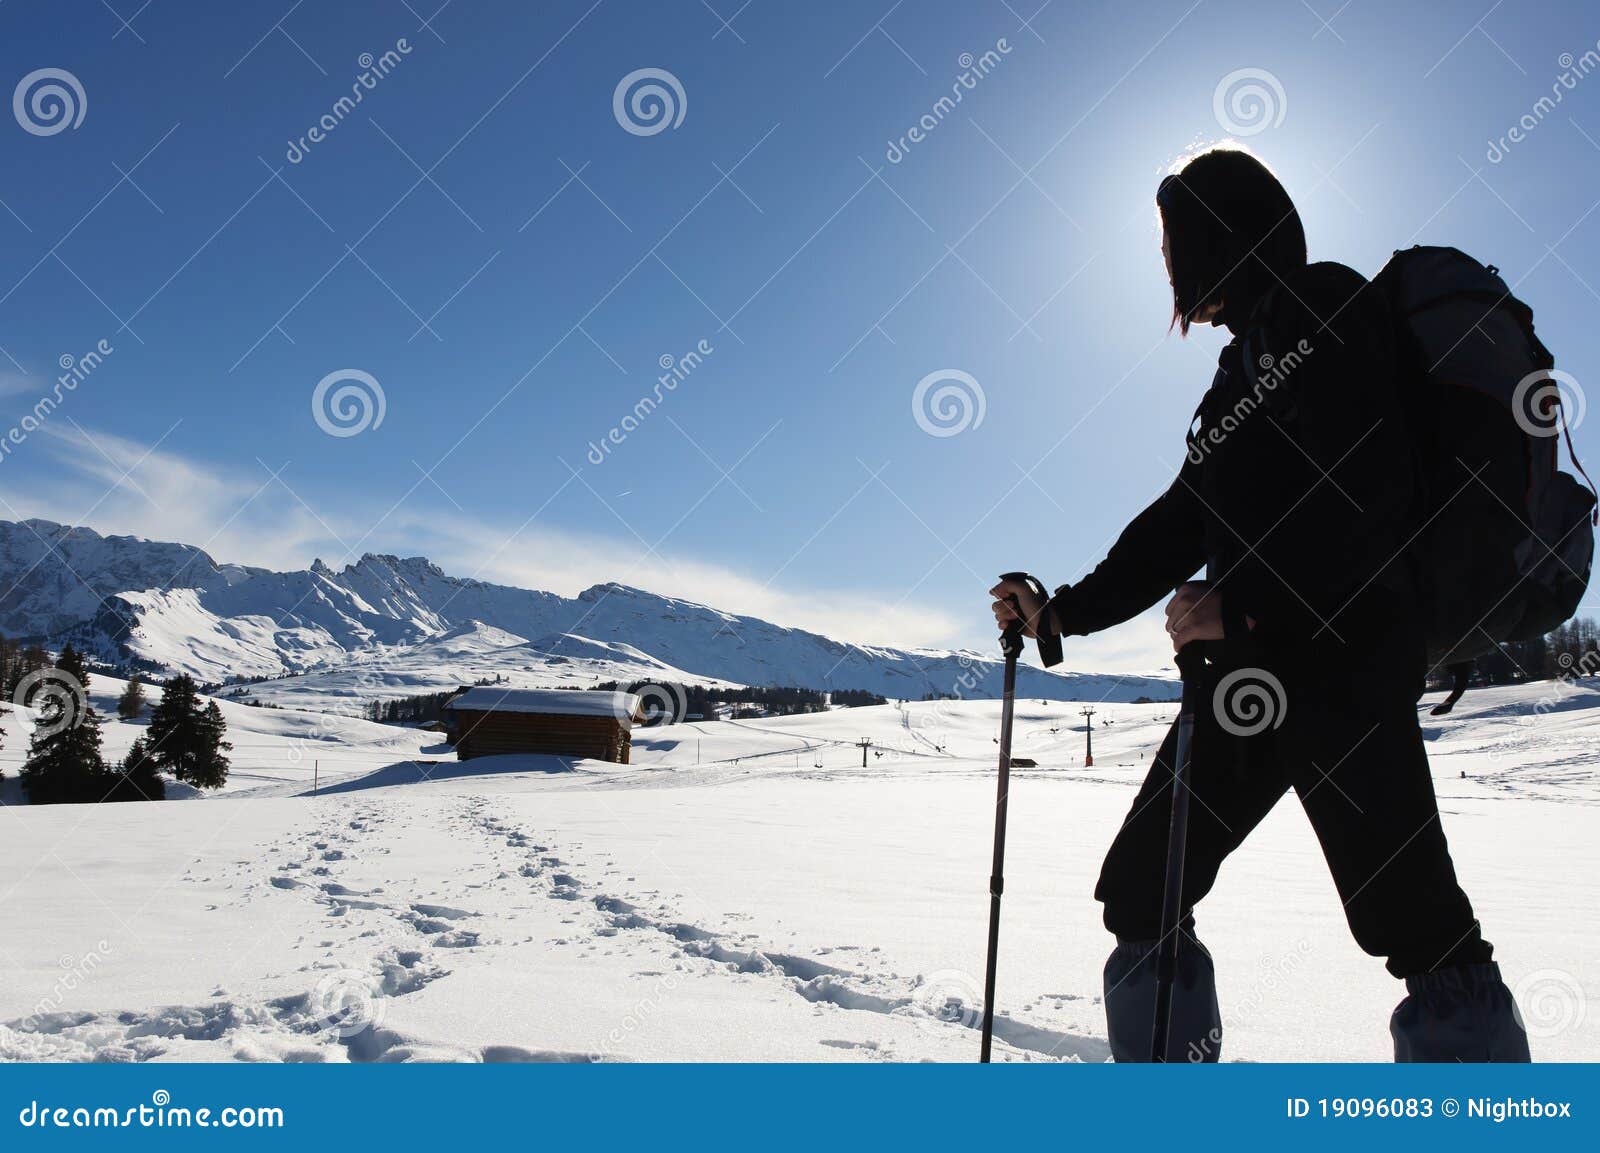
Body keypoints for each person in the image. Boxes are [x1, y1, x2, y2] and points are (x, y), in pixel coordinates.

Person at [990, 146, 1530, 1062]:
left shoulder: (1322, 310)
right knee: (1142, 890)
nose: (1169, 265)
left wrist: (1242, 607)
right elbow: (1175, 525)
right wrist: (1058, 616)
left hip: (1344, 672)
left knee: (1422, 930)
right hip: (1248, 685)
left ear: (1222, 237)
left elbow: (1371, 497)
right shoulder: (1242, 370)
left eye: (1177, 241)